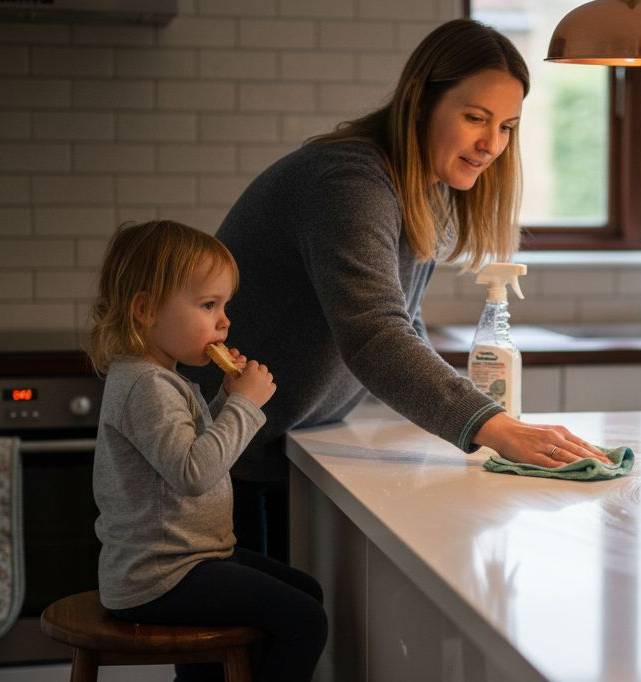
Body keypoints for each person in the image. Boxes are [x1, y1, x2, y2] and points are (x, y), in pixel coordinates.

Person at [186, 18, 611, 561]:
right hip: (212, 449)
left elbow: (402, 323)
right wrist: (492, 425)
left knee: (283, 629)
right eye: (475, 118)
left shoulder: (418, 188)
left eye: (507, 126)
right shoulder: (349, 183)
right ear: (420, 103)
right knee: (254, 636)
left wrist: (482, 419)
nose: (491, 144)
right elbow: (374, 334)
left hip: (269, 441)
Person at [87, 220, 327, 682]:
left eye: (224, 305)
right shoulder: (146, 385)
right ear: (146, 310)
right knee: (305, 620)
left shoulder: (163, 377)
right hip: (161, 574)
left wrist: (226, 402)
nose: (224, 320)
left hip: (187, 558)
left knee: (302, 597)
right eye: (208, 305)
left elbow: (195, 457)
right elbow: (195, 472)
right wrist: (244, 406)